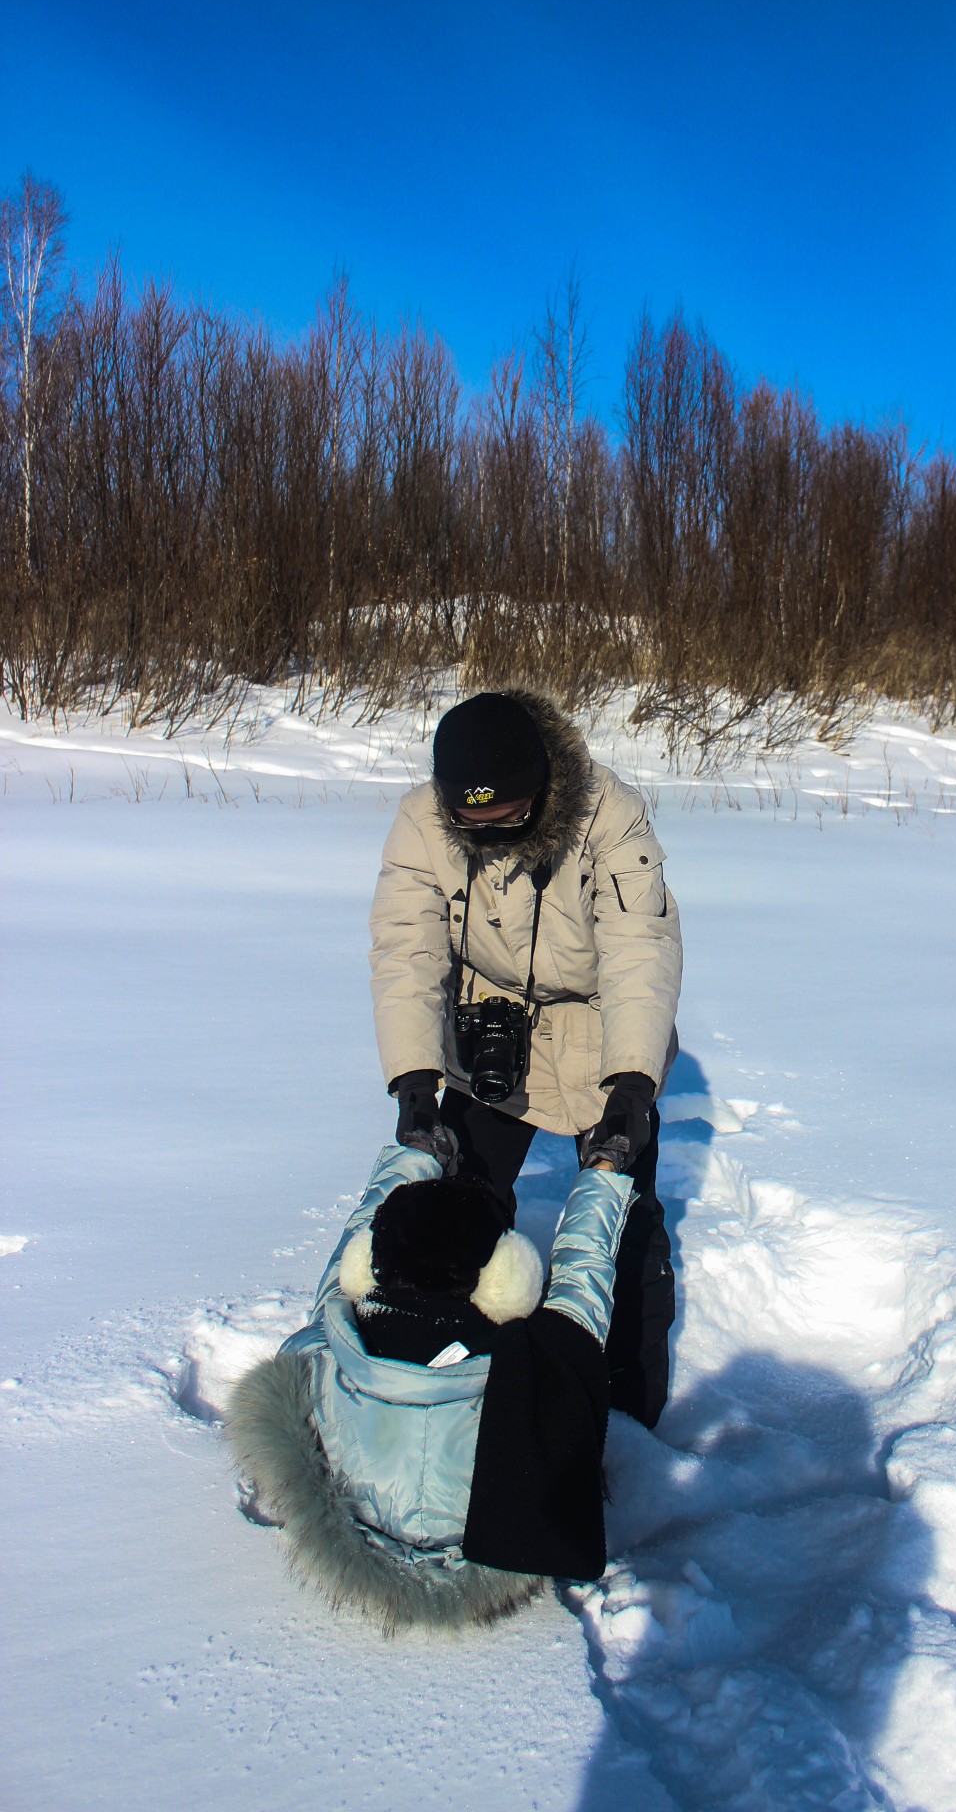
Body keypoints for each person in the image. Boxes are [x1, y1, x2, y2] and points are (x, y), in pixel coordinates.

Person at [369, 689, 683, 1429]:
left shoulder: (609, 815)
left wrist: (633, 1086)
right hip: (489, 1033)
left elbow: (640, 950)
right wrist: (414, 1080)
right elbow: (407, 952)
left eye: (505, 818)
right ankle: (458, 1389)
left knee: (625, 1223)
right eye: (468, 822)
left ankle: (629, 1417)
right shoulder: (419, 821)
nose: (487, 835)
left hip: (600, 1026)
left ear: (540, 789)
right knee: (452, 1217)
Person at [226, 1141, 634, 1632]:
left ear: (369, 1266)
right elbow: (580, 1286)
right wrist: (603, 1170)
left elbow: (341, 1276)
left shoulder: (325, 1349)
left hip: (352, 1555)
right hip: (494, 1566)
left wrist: (414, 1151)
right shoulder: (528, 1372)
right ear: (504, 1274)